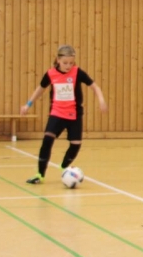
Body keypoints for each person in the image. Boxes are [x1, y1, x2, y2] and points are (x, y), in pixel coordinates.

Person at [20, 45, 107, 184]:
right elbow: (40, 89)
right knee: (47, 140)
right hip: (57, 113)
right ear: (58, 60)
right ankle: (40, 174)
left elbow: (95, 86)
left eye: (71, 63)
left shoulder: (77, 72)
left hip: (74, 115)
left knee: (75, 144)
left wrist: (101, 100)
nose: (68, 66)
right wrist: (28, 104)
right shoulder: (50, 74)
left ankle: (64, 167)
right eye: (65, 63)